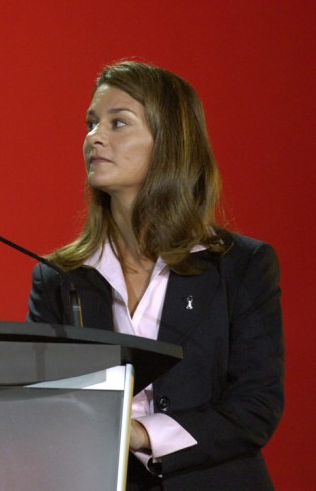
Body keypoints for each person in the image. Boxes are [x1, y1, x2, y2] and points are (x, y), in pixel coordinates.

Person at [27, 61, 283, 489]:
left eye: (118, 123)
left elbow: (255, 407)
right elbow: (41, 403)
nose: (95, 137)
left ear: (169, 144)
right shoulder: (57, 278)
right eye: (91, 124)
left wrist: (142, 433)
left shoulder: (240, 266)